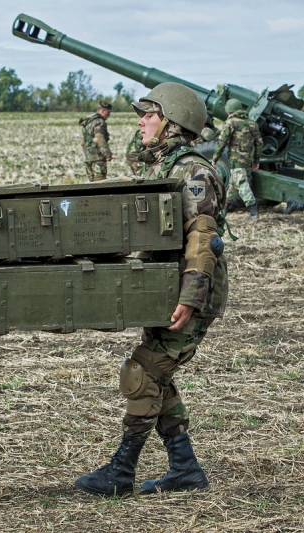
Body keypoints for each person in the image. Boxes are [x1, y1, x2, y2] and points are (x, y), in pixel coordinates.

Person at [75, 82, 228, 497]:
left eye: (150, 115)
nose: (141, 121)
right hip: (164, 289)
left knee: (142, 373)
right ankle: (184, 469)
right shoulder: (164, 167)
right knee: (157, 378)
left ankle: (121, 471)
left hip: (188, 293)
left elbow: (202, 236)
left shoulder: (193, 171)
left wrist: (191, 295)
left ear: (173, 123)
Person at [211, 99, 263, 220]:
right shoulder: (252, 123)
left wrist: (215, 158)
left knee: (241, 184)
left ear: (229, 111)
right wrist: (256, 160)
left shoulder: (231, 123)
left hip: (236, 160)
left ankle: (254, 212)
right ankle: (223, 211)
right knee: (233, 186)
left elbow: (222, 142)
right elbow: (259, 143)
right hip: (246, 160)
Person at [79, 100, 113, 181]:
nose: (108, 116)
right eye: (108, 113)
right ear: (102, 110)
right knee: (100, 182)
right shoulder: (99, 122)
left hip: (88, 157)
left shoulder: (87, 122)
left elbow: (83, 141)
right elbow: (100, 139)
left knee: (91, 183)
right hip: (97, 158)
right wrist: (107, 154)